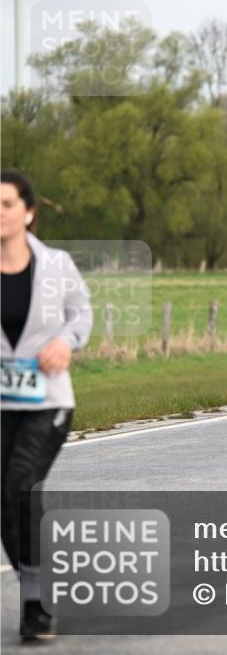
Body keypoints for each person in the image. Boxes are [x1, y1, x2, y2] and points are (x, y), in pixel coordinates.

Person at [1, 169, 93, 642]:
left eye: (6, 204)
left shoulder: (55, 265)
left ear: (28, 213)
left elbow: (83, 312)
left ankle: (37, 605)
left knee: (21, 486)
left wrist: (64, 340)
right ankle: (40, 591)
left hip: (46, 401)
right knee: (6, 506)